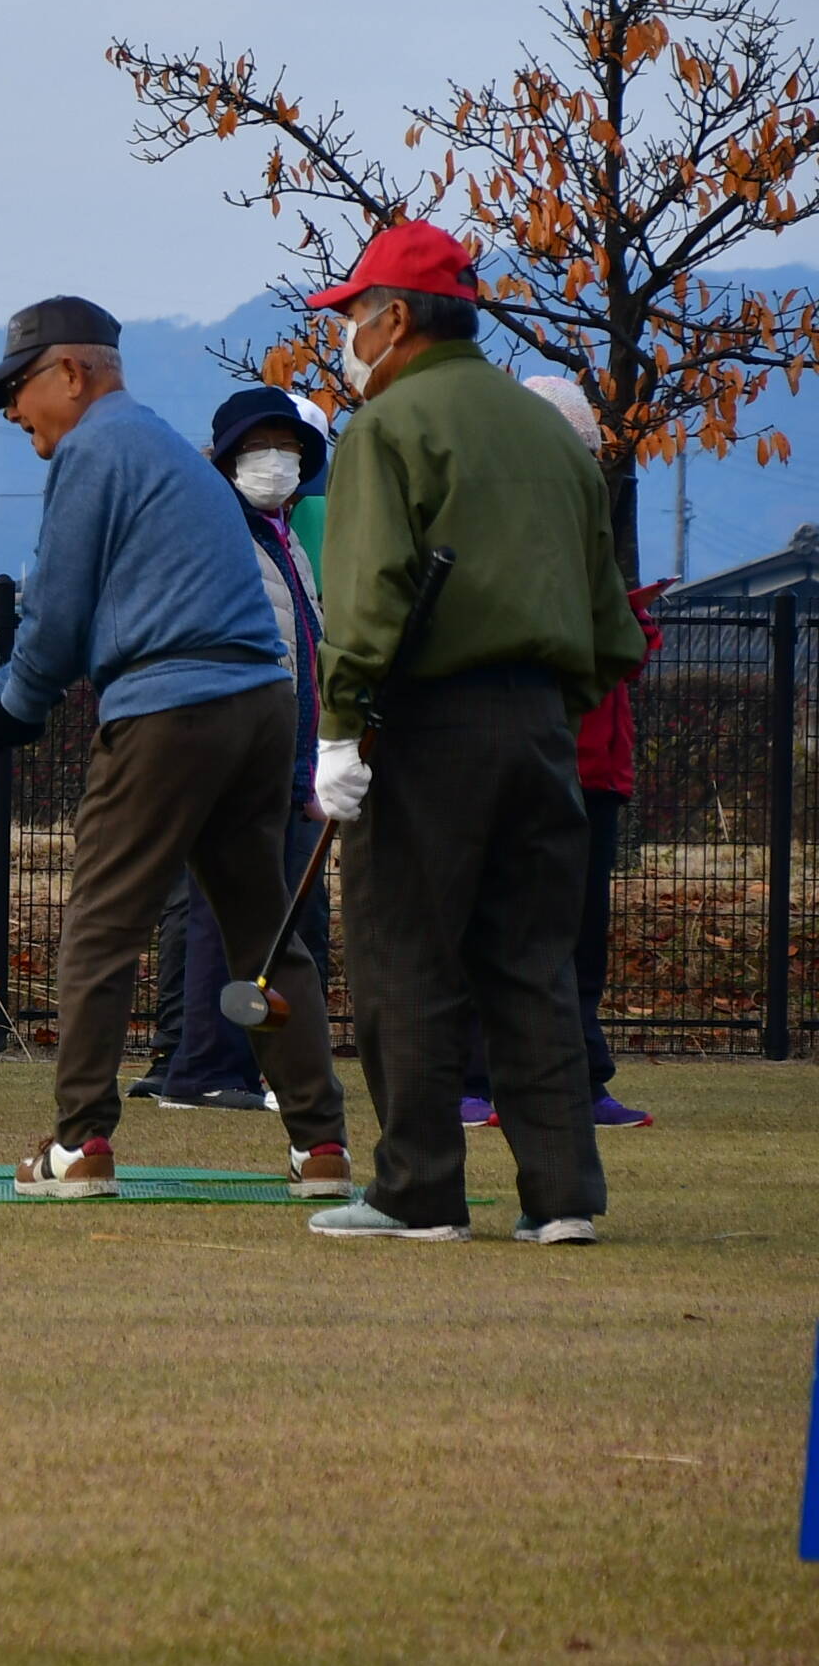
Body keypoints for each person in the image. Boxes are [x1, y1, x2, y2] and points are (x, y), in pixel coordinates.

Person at [0, 296, 355, 1201]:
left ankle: (80, 1144)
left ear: (72, 373)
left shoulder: (95, 450)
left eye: (18, 387)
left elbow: (56, 615)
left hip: (170, 711)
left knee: (103, 925)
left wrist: (8, 709)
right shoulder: (170, 453)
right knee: (262, 933)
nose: (12, 410)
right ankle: (321, 1147)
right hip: (261, 706)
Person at [299, 223, 648, 1243]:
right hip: (545, 727)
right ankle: (563, 1198)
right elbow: (612, 624)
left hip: (425, 725)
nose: (347, 336)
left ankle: (419, 1193)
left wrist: (339, 728)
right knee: (534, 963)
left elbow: (367, 594)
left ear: (396, 318)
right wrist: (549, 706)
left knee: (406, 954)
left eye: (354, 315)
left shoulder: (386, 427)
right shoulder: (552, 433)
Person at [457, 373, 662, 1134]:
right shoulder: (500, 529)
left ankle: (578, 1073)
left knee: (579, 931)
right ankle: (477, 1075)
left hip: (593, 767)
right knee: (500, 919)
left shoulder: (588, 529)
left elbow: (604, 641)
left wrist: (627, 632)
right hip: (532, 753)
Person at [144, 390, 335, 1108]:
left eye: (290, 449)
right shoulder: (212, 528)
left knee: (271, 922)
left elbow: (307, 644)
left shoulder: (282, 538)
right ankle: (206, 1068)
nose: (276, 462)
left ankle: (250, 1066)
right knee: (223, 918)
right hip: (235, 752)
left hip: (285, 753)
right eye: (260, 447)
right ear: (226, 456)